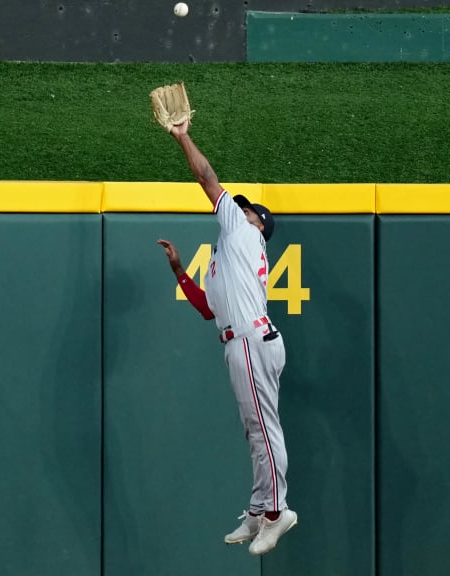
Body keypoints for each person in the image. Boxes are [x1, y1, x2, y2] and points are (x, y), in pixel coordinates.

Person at [156, 117, 297, 556]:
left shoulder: (241, 231)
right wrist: (180, 270)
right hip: (240, 343)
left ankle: (278, 513)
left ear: (257, 223)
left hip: (253, 342)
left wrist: (182, 136)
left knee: (264, 430)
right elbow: (207, 310)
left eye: (248, 209)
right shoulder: (225, 257)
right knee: (254, 431)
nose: (239, 209)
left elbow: (206, 176)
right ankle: (260, 509)